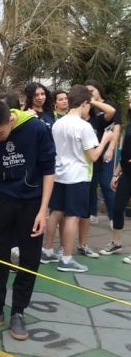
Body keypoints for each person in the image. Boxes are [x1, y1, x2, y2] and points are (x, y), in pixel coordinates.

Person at [0, 99, 56, 341]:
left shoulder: (36, 129)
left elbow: (49, 170)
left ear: (10, 120)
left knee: (29, 258)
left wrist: (43, 211)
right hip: (1, 199)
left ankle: (18, 311)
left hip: (31, 202)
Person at [41, 86, 113, 273]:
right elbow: (93, 156)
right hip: (78, 176)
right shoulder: (84, 126)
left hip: (59, 174)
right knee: (73, 216)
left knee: (56, 212)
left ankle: (47, 251)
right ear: (85, 103)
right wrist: (105, 139)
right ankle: (66, 259)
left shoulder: (58, 124)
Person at [77, 81, 119, 257]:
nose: (89, 94)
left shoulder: (98, 117)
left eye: (91, 91)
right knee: (75, 205)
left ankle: (85, 241)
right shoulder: (76, 119)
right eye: (85, 92)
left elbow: (112, 113)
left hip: (96, 161)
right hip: (78, 166)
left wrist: (92, 100)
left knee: (105, 188)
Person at [99, 93, 131, 260]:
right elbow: (125, 153)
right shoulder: (129, 125)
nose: (129, 101)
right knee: (117, 209)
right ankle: (116, 243)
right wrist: (115, 174)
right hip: (127, 173)